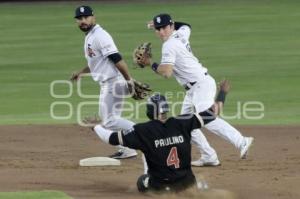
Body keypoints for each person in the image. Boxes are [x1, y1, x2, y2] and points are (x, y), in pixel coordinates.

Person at [141, 13, 253, 166]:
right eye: (158, 29)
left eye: (164, 28)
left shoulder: (169, 45)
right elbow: (186, 25)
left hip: (201, 85)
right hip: (194, 88)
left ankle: (241, 141)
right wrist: (164, 24)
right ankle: (209, 156)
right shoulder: (180, 33)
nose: (161, 32)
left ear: (171, 26)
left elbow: (167, 72)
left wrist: (150, 63)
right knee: (184, 123)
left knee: (207, 119)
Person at [84, 84, 230, 192]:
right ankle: (195, 187)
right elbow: (212, 113)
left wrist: (95, 126)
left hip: (160, 186)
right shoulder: (182, 122)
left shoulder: (142, 131)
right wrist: (222, 92)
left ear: (149, 112)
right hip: (186, 183)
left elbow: (110, 138)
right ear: (166, 109)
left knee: (142, 182)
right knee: (189, 181)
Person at [70, 5, 137, 159]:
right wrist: (81, 72)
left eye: (86, 17)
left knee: (109, 121)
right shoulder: (90, 36)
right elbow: (96, 62)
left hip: (113, 82)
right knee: (113, 119)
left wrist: (129, 80)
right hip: (110, 82)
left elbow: (117, 59)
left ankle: (145, 134)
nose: (83, 21)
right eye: (79, 19)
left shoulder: (100, 35)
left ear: (93, 17)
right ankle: (128, 149)